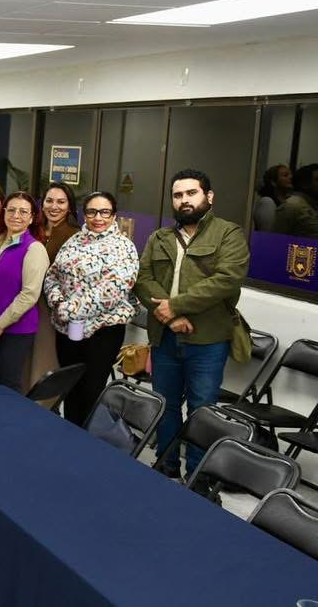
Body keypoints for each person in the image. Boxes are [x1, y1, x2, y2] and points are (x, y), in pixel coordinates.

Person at [137, 169, 250, 478]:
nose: (184, 200)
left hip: (208, 340)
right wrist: (171, 316)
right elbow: (143, 279)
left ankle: (198, 477)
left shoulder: (228, 234)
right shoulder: (159, 237)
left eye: (191, 193)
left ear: (208, 196)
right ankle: (166, 465)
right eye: (178, 195)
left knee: (203, 410)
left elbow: (226, 280)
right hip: (164, 336)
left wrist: (175, 306)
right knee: (166, 404)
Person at [44, 191, 139, 426]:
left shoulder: (124, 247)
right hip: (67, 330)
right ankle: (69, 436)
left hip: (102, 333)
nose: (98, 217)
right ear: (84, 214)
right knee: (70, 389)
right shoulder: (73, 241)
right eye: (92, 212)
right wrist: (57, 302)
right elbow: (52, 276)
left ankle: (85, 442)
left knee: (90, 393)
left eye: (104, 212)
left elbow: (113, 290)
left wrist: (71, 309)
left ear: (114, 215)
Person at [0, 192, 49, 392]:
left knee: (8, 386)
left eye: (23, 212)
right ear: (3, 213)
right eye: (11, 210)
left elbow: (29, 295)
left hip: (14, 331)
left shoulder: (34, 249)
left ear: (32, 218)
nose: (16, 215)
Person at [31, 181, 80, 388]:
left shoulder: (75, 235)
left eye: (61, 202)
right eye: (49, 201)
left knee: (45, 359)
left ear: (69, 206)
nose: (54, 206)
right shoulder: (33, 229)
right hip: (27, 304)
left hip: (52, 309)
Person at [274, 163, 318, 238]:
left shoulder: (313, 204)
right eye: (317, 180)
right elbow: (275, 240)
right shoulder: (292, 206)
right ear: (305, 184)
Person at [254, 164, 291, 232]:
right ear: (273, 182)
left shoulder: (290, 201)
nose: (290, 177)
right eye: (285, 175)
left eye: (290, 175)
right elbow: (267, 233)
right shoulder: (267, 202)